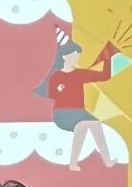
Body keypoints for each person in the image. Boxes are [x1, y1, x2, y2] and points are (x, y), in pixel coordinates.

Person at [34, 31, 119, 171]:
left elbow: (105, 76)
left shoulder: (80, 74)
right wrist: (60, 89)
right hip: (63, 114)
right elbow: (51, 93)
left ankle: (106, 160)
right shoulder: (56, 76)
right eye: (75, 56)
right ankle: (74, 163)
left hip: (80, 112)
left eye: (78, 56)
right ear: (65, 56)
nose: (77, 59)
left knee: (94, 124)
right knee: (83, 126)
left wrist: (108, 58)